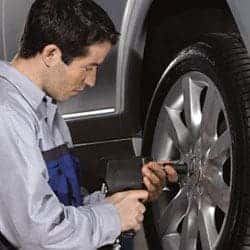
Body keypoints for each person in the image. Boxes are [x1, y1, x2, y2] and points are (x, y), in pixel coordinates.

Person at [0, 0, 178, 249]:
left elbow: (67, 207)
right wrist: (114, 218)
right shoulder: (7, 114)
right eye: (89, 67)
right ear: (51, 54)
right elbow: (37, 234)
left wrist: (124, 195)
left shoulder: (44, 109)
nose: (92, 81)